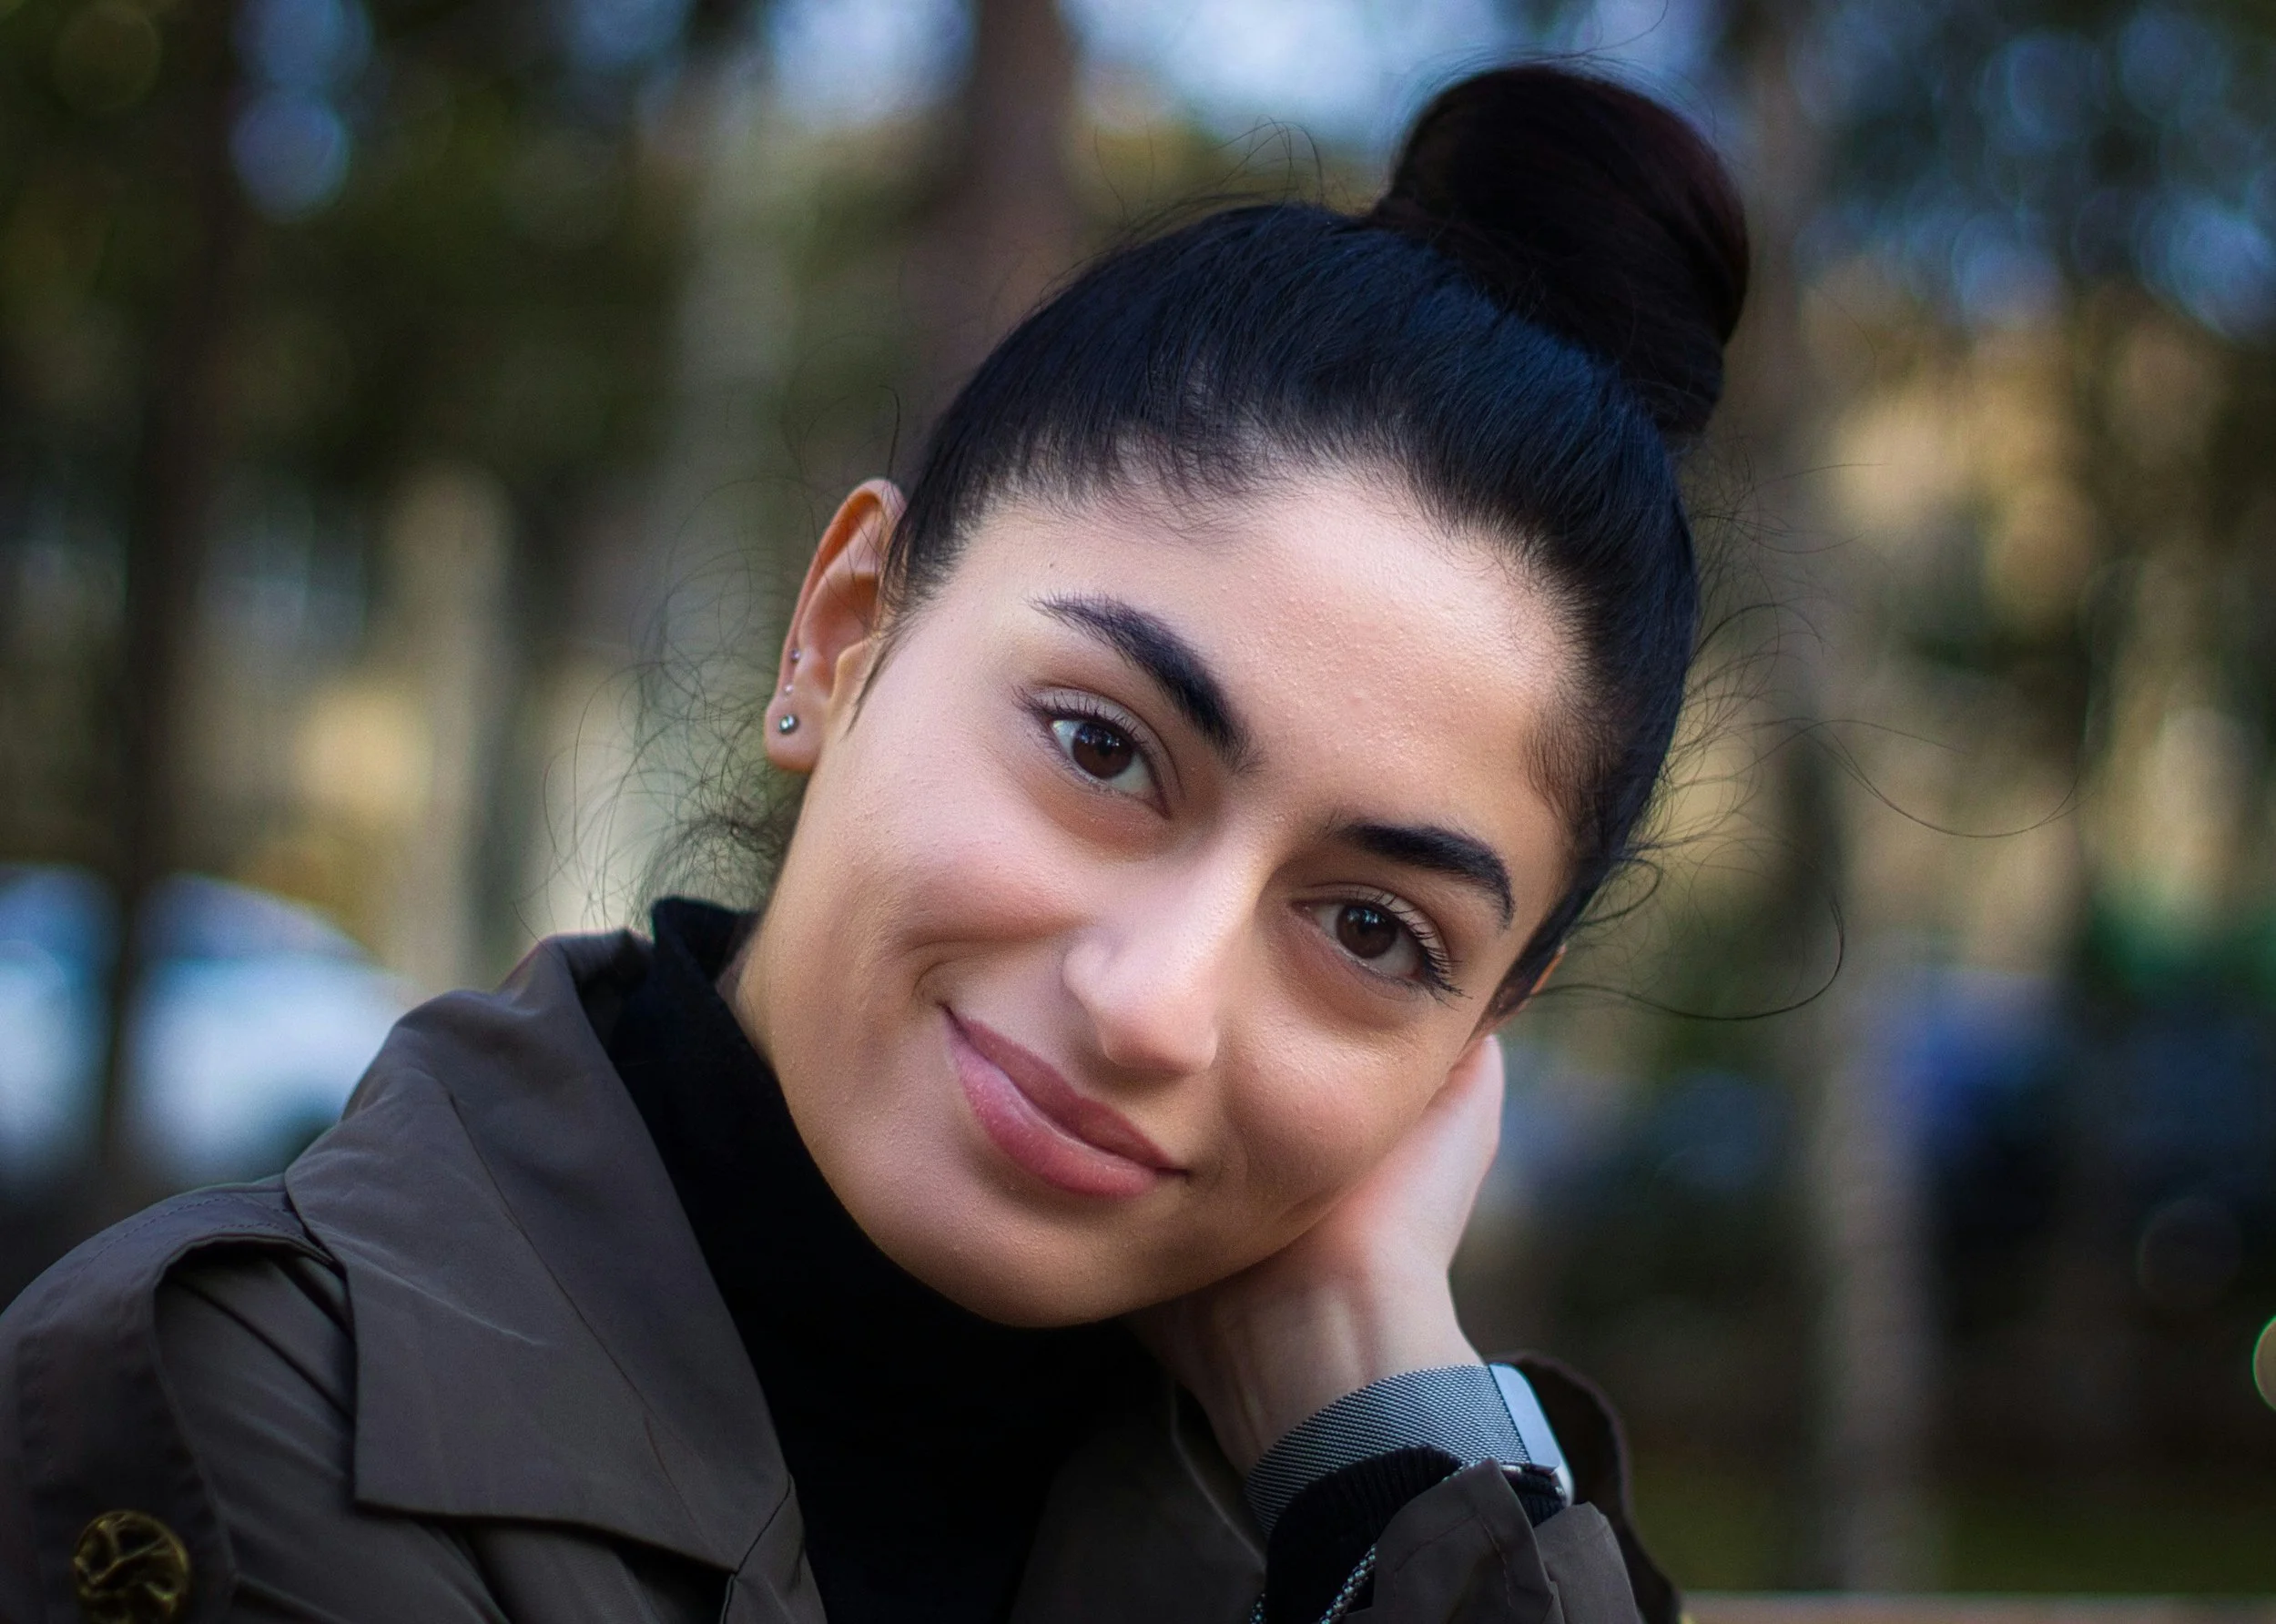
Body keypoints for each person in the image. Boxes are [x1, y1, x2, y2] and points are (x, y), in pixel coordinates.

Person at [0, 60, 1746, 1624]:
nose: (1151, 1006)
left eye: (1375, 934)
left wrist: (1380, 1451)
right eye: (1101, 748)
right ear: (843, 635)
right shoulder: (244, 1420)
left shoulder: (1359, 1524)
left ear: (1482, 1033)